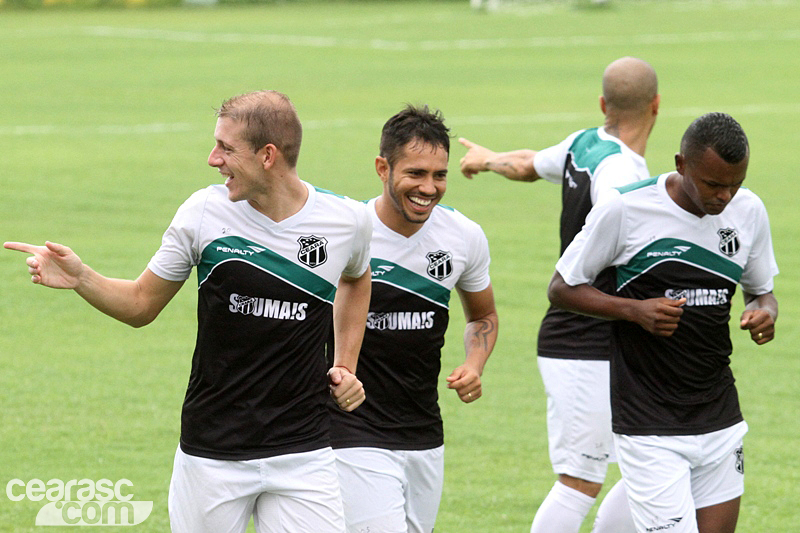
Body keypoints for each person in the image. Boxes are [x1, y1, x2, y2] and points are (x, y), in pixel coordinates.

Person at [4, 90, 373, 533]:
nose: (213, 159)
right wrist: (82, 277)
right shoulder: (203, 213)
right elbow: (141, 304)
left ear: (267, 155)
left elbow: (356, 277)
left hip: (304, 451)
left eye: (226, 148)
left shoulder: (346, 220)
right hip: (212, 453)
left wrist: (345, 364)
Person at [548, 112, 778, 533]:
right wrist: (633, 310)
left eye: (735, 184)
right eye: (713, 184)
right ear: (681, 164)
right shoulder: (625, 208)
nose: (725, 196)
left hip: (718, 413)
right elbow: (562, 288)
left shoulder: (748, 210)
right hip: (648, 420)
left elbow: (761, 290)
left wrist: (765, 312)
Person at [459, 57, 659, 533]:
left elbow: (528, 165)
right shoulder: (623, 175)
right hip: (582, 343)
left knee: (652, 461)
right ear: (656, 105)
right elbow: (613, 242)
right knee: (580, 480)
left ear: (603, 104)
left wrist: (487, 159)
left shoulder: (584, 143)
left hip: (600, 343)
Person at [328, 104, 499, 533]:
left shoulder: (463, 237)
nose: (429, 187)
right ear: (382, 168)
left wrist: (474, 363)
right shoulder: (347, 231)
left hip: (423, 431)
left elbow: (483, 315)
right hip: (352, 427)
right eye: (416, 173)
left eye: (439, 175)